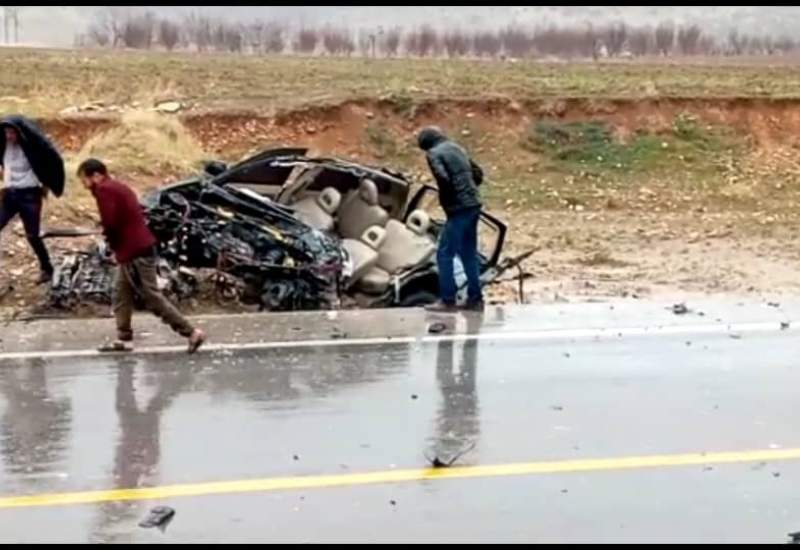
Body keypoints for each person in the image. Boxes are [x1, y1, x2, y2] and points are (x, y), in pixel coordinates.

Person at [77, 158, 206, 354]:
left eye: (84, 179)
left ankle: (191, 332)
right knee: (121, 293)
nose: (84, 185)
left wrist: (114, 249)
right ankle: (124, 338)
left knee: (152, 296)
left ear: (96, 176)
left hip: (135, 250)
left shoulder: (104, 190)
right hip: (135, 247)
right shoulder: (118, 187)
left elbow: (111, 224)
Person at [417, 126, 485, 312]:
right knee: (468, 253)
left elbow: (443, 178)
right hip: (474, 204)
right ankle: (475, 299)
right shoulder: (457, 148)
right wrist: (468, 189)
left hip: (458, 208)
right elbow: (478, 174)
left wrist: (450, 197)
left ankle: (447, 299)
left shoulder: (433, 153)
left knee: (444, 253)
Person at [0, 116, 66, 284]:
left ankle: (47, 267)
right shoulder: (3, 145)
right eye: (6, 132)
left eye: (12, 133)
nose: (9, 136)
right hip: (10, 194)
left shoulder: (32, 147)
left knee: (32, 235)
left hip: (30, 195)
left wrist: (49, 184)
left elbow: (53, 160)